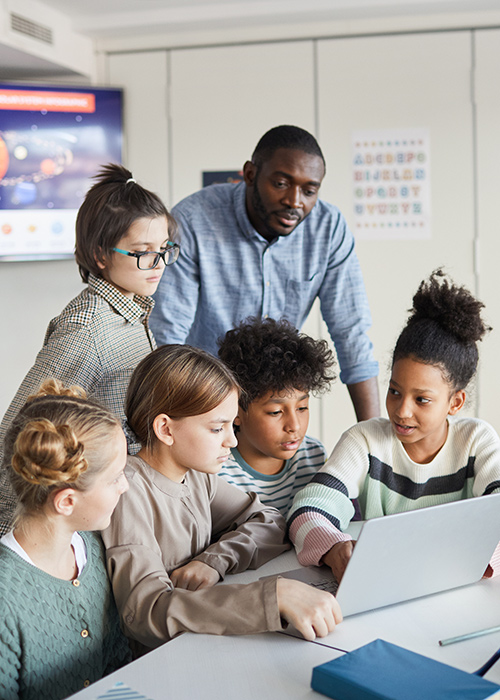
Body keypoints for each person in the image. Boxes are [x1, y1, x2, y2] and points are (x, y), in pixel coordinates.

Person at [102, 345, 342, 650]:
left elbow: (268, 520)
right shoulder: (128, 491)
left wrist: (213, 561)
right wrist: (272, 597)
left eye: (231, 425)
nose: (231, 440)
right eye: (217, 428)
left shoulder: (196, 475)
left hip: (202, 643)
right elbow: (147, 612)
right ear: (165, 428)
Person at [149, 124, 379, 423]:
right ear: (250, 174)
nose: (295, 201)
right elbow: (167, 337)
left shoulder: (328, 228)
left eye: (309, 191)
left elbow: (351, 332)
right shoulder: (193, 220)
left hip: (275, 409)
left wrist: (373, 438)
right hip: (202, 398)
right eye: (281, 184)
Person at [287, 270, 500, 582]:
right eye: (395, 391)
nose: (402, 411)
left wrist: (477, 555)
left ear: (455, 402)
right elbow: (308, 509)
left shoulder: (476, 440)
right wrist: (333, 547)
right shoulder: (365, 440)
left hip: (458, 584)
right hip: (384, 585)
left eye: (422, 400)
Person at [0, 164, 179, 536]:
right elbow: (21, 430)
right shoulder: (86, 328)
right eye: (143, 252)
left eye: (164, 249)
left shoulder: (134, 310)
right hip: (85, 510)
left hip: (123, 499)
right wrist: (7, 543)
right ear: (100, 255)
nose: (158, 264)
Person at [0, 379, 131, 700]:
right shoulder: (5, 599)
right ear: (66, 501)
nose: (125, 486)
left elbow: (118, 663)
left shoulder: (94, 548)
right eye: (115, 478)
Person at [217, 317, 335, 516]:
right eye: (276, 412)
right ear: (235, 411)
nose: (294, 426)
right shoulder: (217, 473)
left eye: (302, 408)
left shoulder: (313, 456)